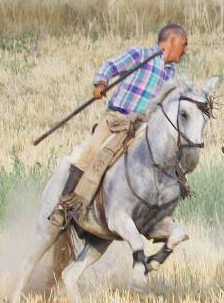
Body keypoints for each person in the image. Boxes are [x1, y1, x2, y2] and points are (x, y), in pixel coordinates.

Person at [48, 24, 189, 228]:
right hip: (117, 119)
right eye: (183, 45)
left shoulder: (172, 76)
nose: (185, 51)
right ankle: (63, 207)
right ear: (172, 41)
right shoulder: (141, 54)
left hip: (142, 128)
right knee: (91, 151)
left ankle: (149, 213)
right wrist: (101, 83)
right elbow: (111, 66)